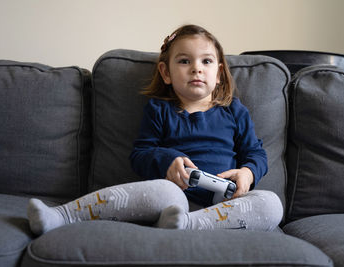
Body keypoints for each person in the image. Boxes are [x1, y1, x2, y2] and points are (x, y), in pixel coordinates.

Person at [27, 24, 283, 235]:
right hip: (173, 195)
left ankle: (189, 225)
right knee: (164, 191)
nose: (196, 68)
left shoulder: (233, 110)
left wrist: (247, 174)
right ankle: (61, 215)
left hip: (222, 203)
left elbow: (256, 153)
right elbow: (140, 154)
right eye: (184, 61)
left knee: (271, 204)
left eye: (206, 61)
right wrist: (167, 160)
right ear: (166, 72)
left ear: (218, 74)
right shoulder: (160, 109)